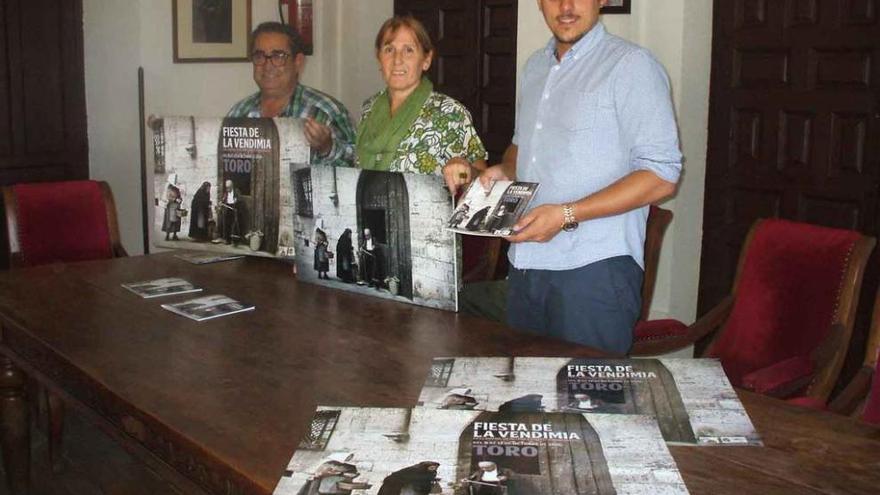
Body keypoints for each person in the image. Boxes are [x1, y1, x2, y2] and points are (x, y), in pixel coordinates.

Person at [476, 0, 682, 355]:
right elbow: (521, 147)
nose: (566, 6)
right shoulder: (535, 67)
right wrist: (503, 170)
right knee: (526, 401)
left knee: (589, 406)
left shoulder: (632, 66)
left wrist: (566, 214)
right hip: (524, 266)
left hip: (593, 275)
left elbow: (662, 176)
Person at [356, 16, 487, 193]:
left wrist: (464, 172)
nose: (397, 60)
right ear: (379, 58)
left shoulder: (449, 113)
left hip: (426, 218)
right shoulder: (369, 109)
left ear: (426, 60)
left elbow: (483, 180)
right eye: (389, 50)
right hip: (368, 217)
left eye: (408, 50)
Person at [228, 22, 356, 168]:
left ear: (298, 62)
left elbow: (359, 170)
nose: (267, 65)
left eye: (278, 56)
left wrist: (327, 148)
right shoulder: (239, 113)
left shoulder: (326, 111)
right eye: (259, 56)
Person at [219, 179, 241, 245]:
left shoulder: (236, 191)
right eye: (226, 187)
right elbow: (223, 199)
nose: (227, 189)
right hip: (227, 208)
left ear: (232, 186)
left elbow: (239, 199)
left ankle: (234, 240)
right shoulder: (226, 193)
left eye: (228, 187)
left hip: (234, 209)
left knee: (234, 225)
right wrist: (221, 202)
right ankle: (227, 239)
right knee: (226, 225)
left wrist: (236, 200)